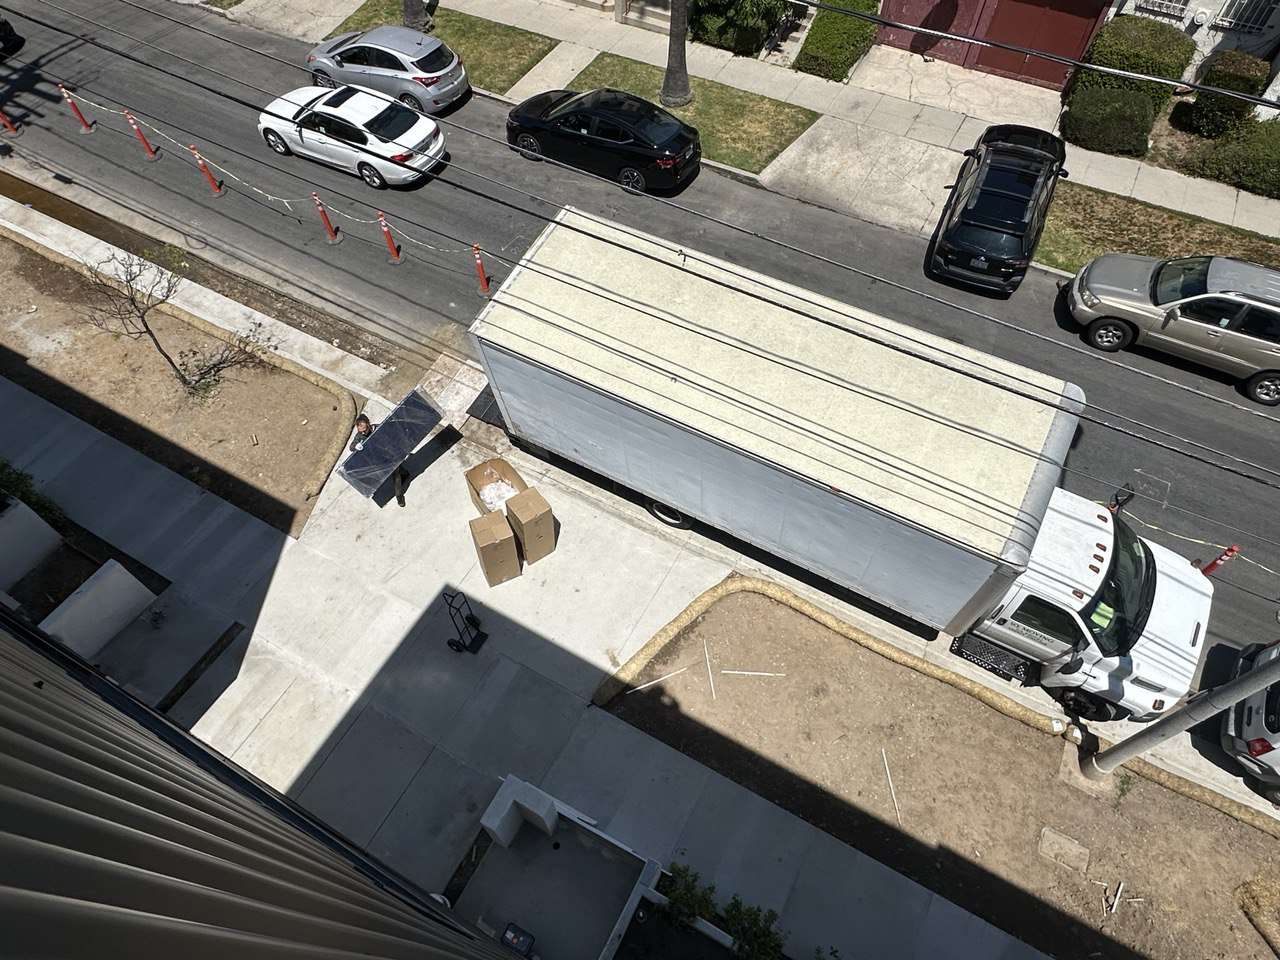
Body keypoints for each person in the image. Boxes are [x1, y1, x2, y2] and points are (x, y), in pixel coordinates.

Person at [350, 413, 409, 507]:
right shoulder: (359, 436)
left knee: (396, 474)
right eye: (360, 431)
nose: (363, 433)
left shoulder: (378, 428)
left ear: (368, 424)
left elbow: (392, 435)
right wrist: (355, 446)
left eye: (364, 430)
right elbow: (351, 446)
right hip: (379, 458)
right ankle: (405, 473)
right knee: (398, 472)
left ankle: (399, 496)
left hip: (390, 454)